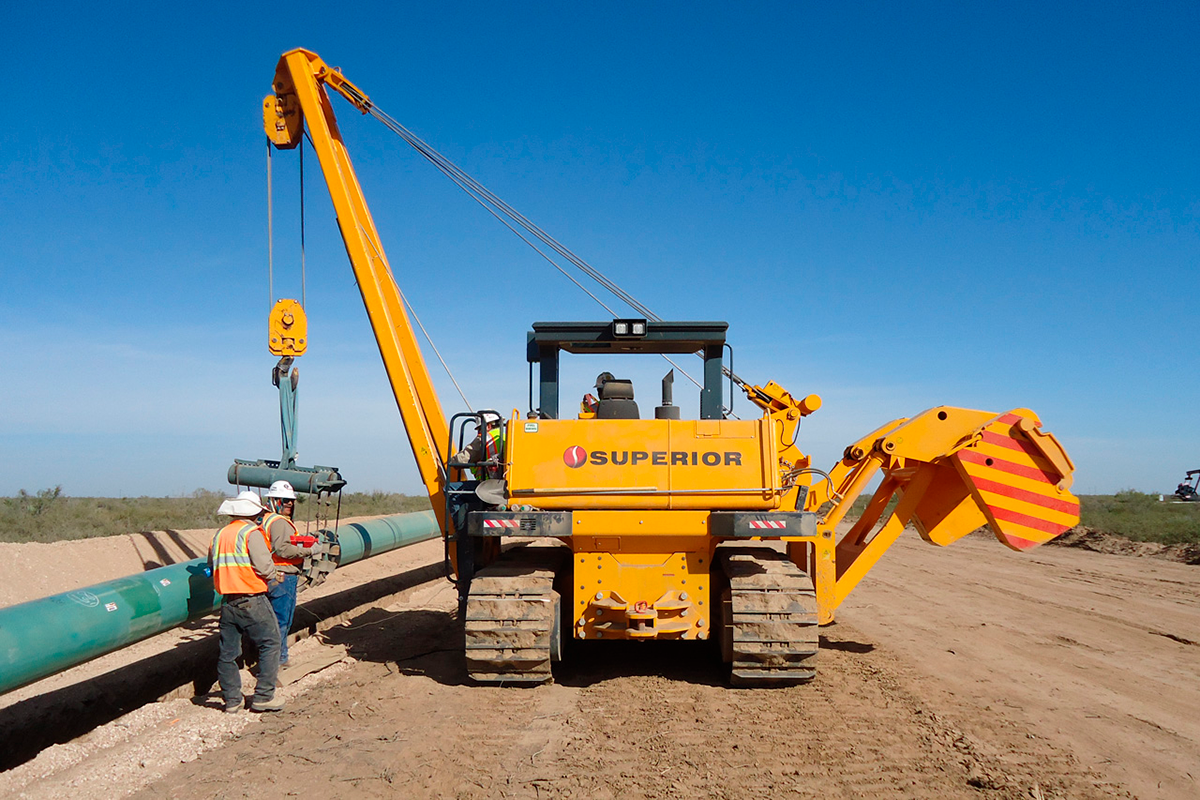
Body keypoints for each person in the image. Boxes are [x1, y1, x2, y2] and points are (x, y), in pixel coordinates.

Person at [209, 490, 284, 714]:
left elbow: (212, 564)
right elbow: (264, 566)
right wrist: (275, 575)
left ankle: (232, 700)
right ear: (255, 513)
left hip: (227, 602)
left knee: (228, 653)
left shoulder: (220, 535)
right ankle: (263, 697)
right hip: (251, 598)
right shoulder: (251, 533)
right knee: (271, 643)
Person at [261, 480, 313, 667]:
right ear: (275, 500)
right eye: (285, 500)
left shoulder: (265, 519)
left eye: (292, 501)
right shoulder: (279, 522)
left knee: (273, 620)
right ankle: (278, 661)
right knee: (281, 621)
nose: (290, 503)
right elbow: (283, 549)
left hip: (272, 576)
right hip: (283, 577)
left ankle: (270, 658)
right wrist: (309, 550)